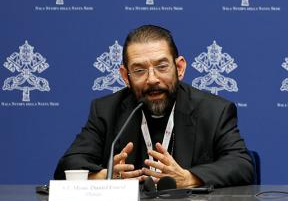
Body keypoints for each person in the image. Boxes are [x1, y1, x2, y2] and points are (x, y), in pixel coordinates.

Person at [54, 25, 254, 187]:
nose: (152, 79)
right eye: (139, 70)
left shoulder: (214, 111)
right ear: (125, 76)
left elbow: (242, 165)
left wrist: (189, 178)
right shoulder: (106, 110)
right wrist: (104, 177)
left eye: (161, 66)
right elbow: (68, 166)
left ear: (180, 68)